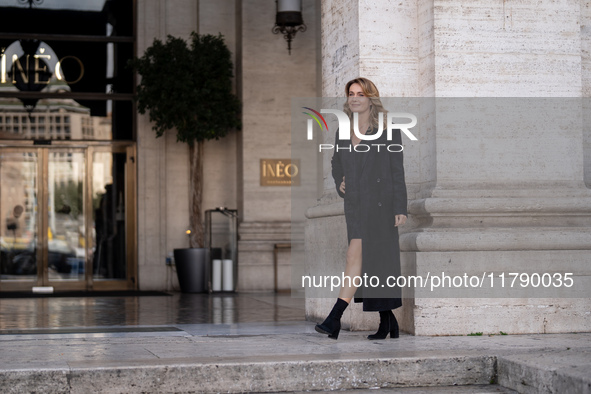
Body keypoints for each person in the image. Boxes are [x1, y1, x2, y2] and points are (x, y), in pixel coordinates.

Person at [315, 77, 408, 340]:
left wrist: (400, 206)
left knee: (355, 257)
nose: (354, 98)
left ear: (370, 98)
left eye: (360, 94)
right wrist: (339, 182)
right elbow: (336, 164)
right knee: (373, 264)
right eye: (351, 93)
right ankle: (388, 321)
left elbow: (396, 170)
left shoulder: (388, 130)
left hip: (380, 206)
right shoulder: (343, 131)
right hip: (355, 206)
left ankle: (334, 319)